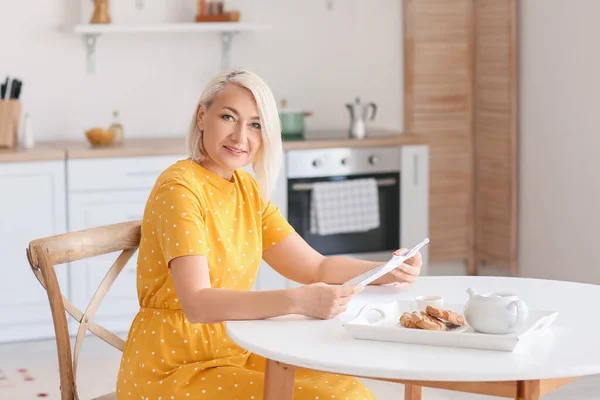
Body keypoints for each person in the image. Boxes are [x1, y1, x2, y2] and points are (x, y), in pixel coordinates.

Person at [116, 69, 423, 399]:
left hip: (236, 350)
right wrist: (296, 301)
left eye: (255, 125)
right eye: (228, 117)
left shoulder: (248, 190)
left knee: (348, 391)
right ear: (202, 116)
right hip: (174, 369)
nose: (240, 136)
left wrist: (386, 271)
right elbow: (197, 304)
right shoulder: (180, 188)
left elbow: (314, 268)